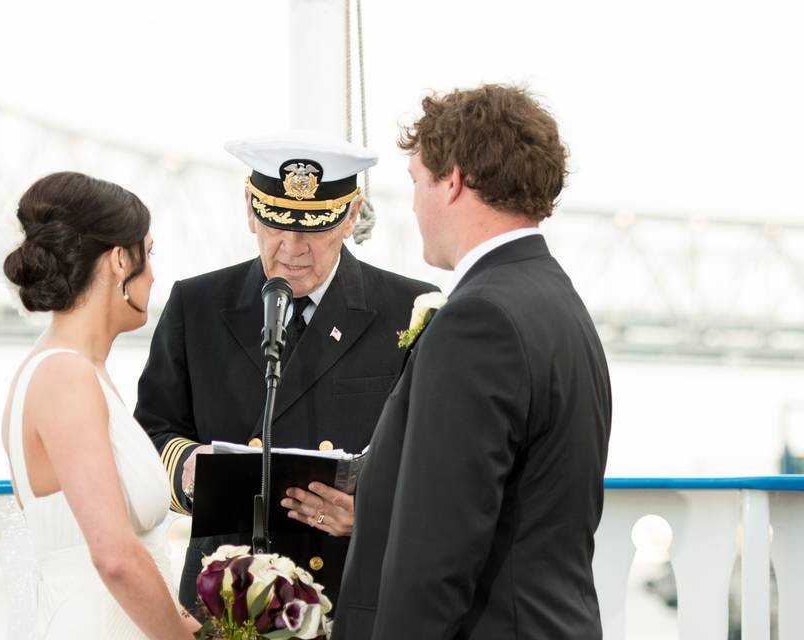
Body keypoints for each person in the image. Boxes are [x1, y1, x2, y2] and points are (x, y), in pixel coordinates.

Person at [333, 85, 612, 639]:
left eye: (416, 181)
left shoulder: (477, 320)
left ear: (453, 180)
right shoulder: (559, 302)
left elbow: (436, 552)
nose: (412, 204)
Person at [134, 131, 438, 613]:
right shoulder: (197, 304)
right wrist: (190, 469)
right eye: (277, 226)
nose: (292, 249)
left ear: (352, 215)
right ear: (251, 211)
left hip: (350, 590)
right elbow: (151, 431)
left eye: (315, 229)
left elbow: (438, 457)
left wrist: (371, 515)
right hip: (229, 592)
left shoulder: (411, 308)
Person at [0, 172, 197, 639]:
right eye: (148, 254)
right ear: (118, 260)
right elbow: (114, 555)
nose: (153, 273)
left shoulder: (80, 373)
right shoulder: (65, 377)